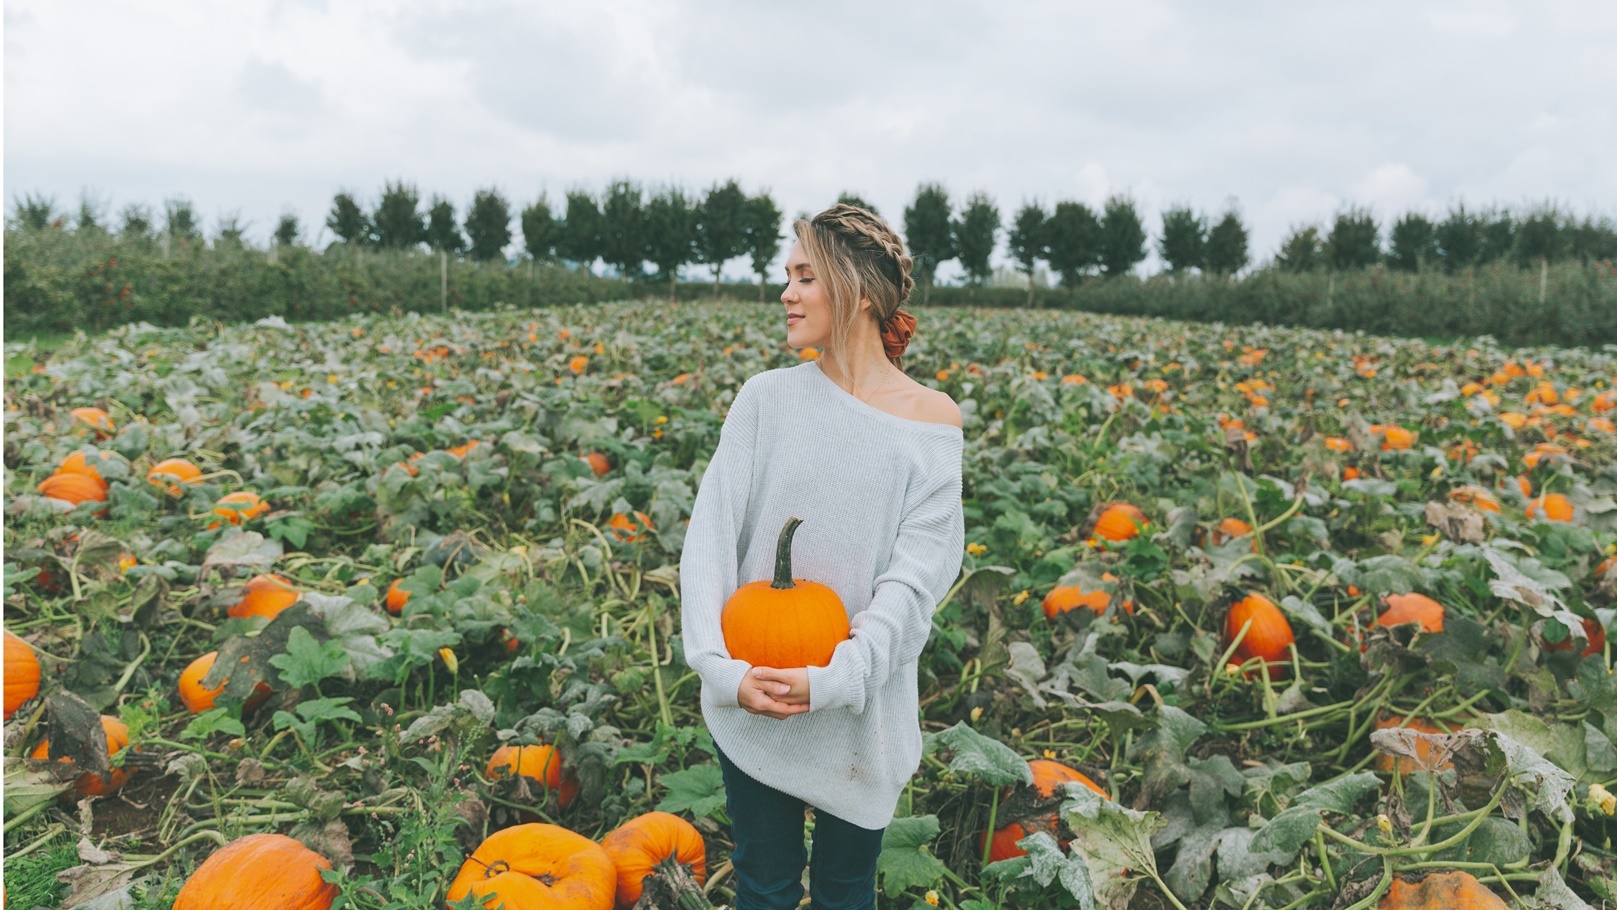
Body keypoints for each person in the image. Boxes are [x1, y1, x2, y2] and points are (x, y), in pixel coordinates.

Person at [680, 202, 966, 909]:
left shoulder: (931, 422)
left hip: (860, 704)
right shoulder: (765, 400)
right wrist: (720, 670)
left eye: (805, 276)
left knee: (844, 891)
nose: (786, 292)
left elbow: (916, 578)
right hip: (757, 690)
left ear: (858, 292)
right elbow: (709, 541)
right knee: (765, 884)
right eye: (787, 275)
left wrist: (841, 675)